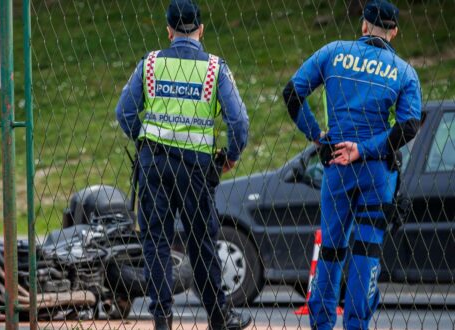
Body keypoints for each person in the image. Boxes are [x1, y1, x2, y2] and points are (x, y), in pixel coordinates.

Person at [282, 1, 422, 329]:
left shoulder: (333, 52)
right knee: (366, 250)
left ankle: (322, 322)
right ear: (394, 32)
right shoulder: (403, 71)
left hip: (337, 165)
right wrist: (366, 148)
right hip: (376, 169)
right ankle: (357, 323)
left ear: (363, 25)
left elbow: (292, 94)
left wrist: (317, 135)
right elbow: (409, 126)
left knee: (331, 248)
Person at [115, 1, 251, 329]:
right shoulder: (215, 68)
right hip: (194, 168)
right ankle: (219, 317)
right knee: (200, 241)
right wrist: (230, 156)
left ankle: (162, 318)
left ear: (169, 30)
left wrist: (144, 139)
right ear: (200, 30)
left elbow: (125, 113)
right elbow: (239, 122)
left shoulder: (150, 65)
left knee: (156, 241)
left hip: (154, 163)